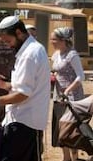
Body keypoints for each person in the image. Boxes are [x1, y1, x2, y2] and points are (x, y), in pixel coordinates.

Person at [0, 16, 51, 161]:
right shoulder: (28, 50)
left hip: (25, 123)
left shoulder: (30, 54)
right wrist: (5, 85)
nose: (8, 45)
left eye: (8, 41)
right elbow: (25, 86)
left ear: (18, 33)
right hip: (20, 121)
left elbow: (23, 94)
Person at [50, 27, 85, 161]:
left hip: (72, 97)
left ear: (63, 40)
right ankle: (66, 158)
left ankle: (74, 158)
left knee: (71, 129)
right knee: (60, 128)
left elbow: (80, 76)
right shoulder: (56, 55)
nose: (52, 42)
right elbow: (57, 72)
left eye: (54, 39)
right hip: (58, 96)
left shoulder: (72, 55)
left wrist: (68, 90)